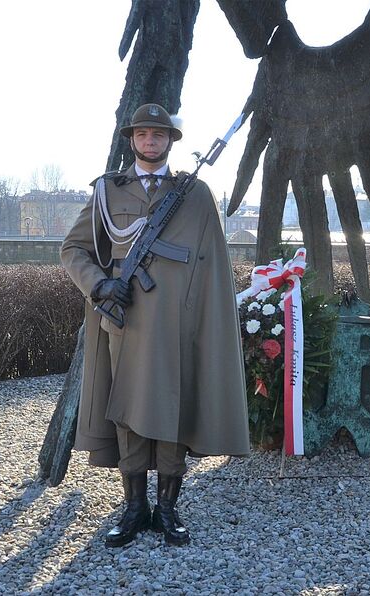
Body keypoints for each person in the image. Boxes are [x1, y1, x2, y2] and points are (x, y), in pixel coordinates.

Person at [61, 103, 249, 548]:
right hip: (125, 322)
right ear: (132, 140)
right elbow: (73, 250)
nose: (150, 141)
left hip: (178, 325)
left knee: (173, 409)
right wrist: (101, 286)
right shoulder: (110, 191)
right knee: (127, 411)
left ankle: (167, 509)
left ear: (170, 141)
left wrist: (206, 320)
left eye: (158, 135)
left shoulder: (194, 193)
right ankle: (133, 509)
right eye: (143, 134)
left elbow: (213, 264)